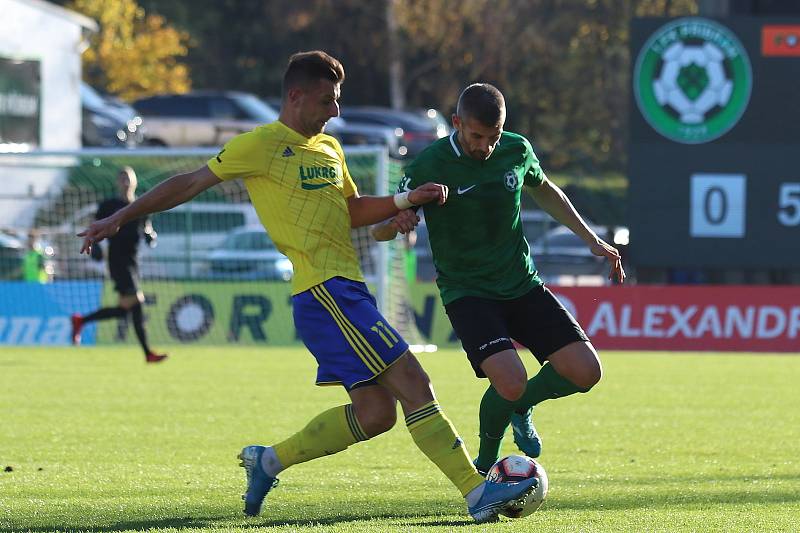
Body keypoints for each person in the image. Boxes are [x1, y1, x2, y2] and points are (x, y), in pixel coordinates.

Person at [77, 52, 537, 523]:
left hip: (346, 289)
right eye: (326, 100)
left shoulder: (330, 150)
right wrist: (119, 217)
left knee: (377, 414)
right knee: (415, 383)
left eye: (337, 100)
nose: (335, 111)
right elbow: (189, 183)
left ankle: (268, 460)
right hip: (324, 291)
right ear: (295, 96)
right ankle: (476, 492)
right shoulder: (260, 145)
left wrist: (405, 200)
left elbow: (353, 211)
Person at [373, 83, 625, 475]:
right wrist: (399, 222)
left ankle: (522, 407)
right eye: (477, 136)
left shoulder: (516, 149)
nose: (486, 147)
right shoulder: (429, 164)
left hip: (521, 283)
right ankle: (486, 463)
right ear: (456, 123)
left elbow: (545, 190)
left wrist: (591, 240)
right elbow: (381, 231)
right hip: (468, 292)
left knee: (587, 371)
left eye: (493, 137)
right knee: (510, 382)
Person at [71, 166, 167, 364]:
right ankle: (148, 353)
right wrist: (95, 246)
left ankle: (81, 321)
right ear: (117, 182)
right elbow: (94, 226)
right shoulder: (109, 205)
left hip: (133, 262)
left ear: (134, 182)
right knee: (137, 302)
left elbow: (147, 228)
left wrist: (150, 236)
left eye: (128, 178)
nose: (125, 182)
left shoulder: (142, 205)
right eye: (122, 178)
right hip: (117, 261)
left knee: (124, 310)